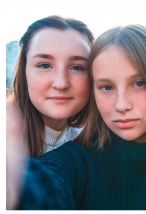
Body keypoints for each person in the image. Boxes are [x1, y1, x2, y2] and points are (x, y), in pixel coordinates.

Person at [7, 24, 146, 210]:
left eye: (139, 83)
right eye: (106, 87)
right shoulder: (77, 159)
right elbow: (42, 184)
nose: (121, 105)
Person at [8, 15, 94, 156]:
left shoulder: (94, 148)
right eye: (45, 65)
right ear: (25, 72)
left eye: (77, 67)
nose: (61, 83)